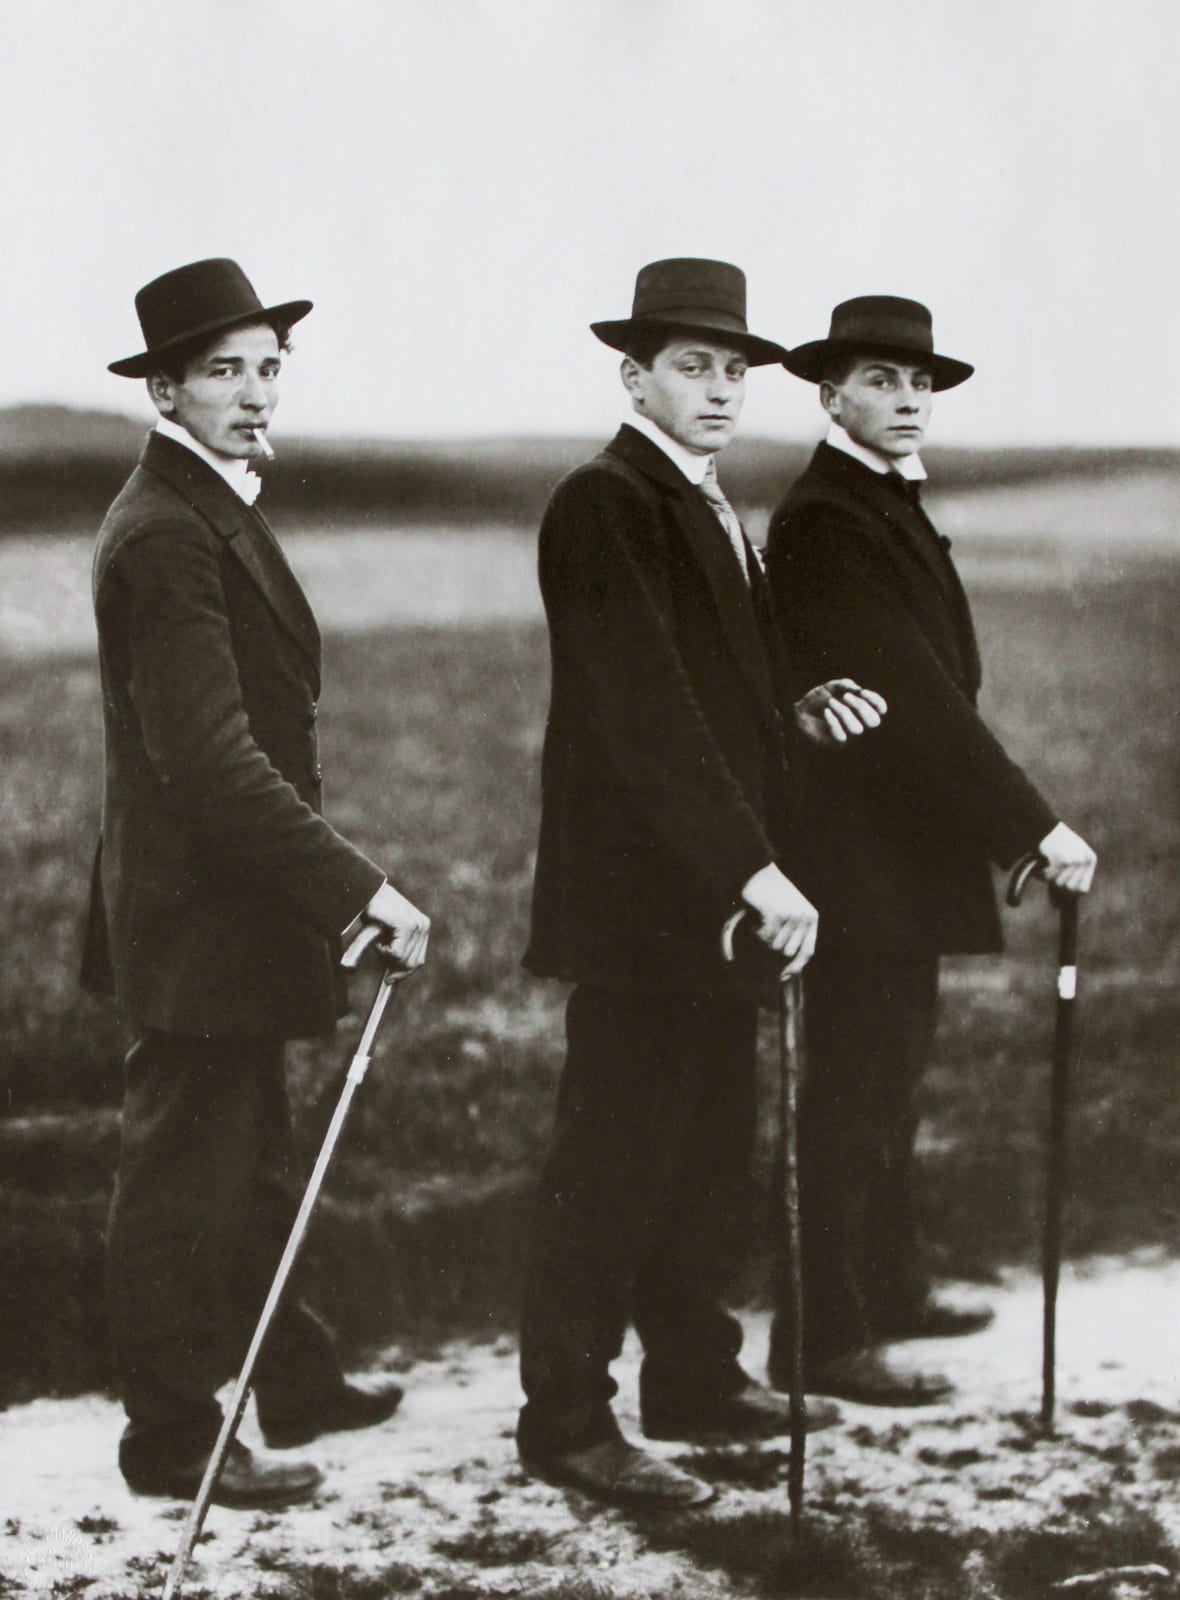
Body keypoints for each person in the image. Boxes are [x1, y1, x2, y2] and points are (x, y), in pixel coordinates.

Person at [517, 258, 887, 1509]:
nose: (722, 387)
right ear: (636, 375)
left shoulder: (707, 500)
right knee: (614, 1154)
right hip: (643, 901)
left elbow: (719, 682)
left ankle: (692, 1372)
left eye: (735, 368)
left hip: (712, 900)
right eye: (693, 365)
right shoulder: (604, 502)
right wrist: (751, 864)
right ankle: (566, 1418)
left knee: (706, 1144)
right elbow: (645, 710)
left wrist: (796, 698)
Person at [81, 258, 430, 1507]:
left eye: (268, 367)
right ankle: (171, 1440)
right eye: (223, 370)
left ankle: (296, 1373)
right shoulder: (167, 528)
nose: (253, 391)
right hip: (199, 912)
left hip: (233, 908)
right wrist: (355, 888)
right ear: (165, 385)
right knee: (183, 1176)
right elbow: (212, 762)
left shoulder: (207, 502)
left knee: (257, 1151)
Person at [764, 296, 1097, 1406]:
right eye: (880, 380)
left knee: (889, 1077)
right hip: (856, 855)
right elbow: (912, 696)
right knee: (854, 1088)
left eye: (920, 384)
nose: (907, 400)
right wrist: (1029, 824)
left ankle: (889, 1283)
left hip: (898, 850)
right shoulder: (827, 517)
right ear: (830, 394)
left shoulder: (875, 502)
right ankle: (824, 1336)